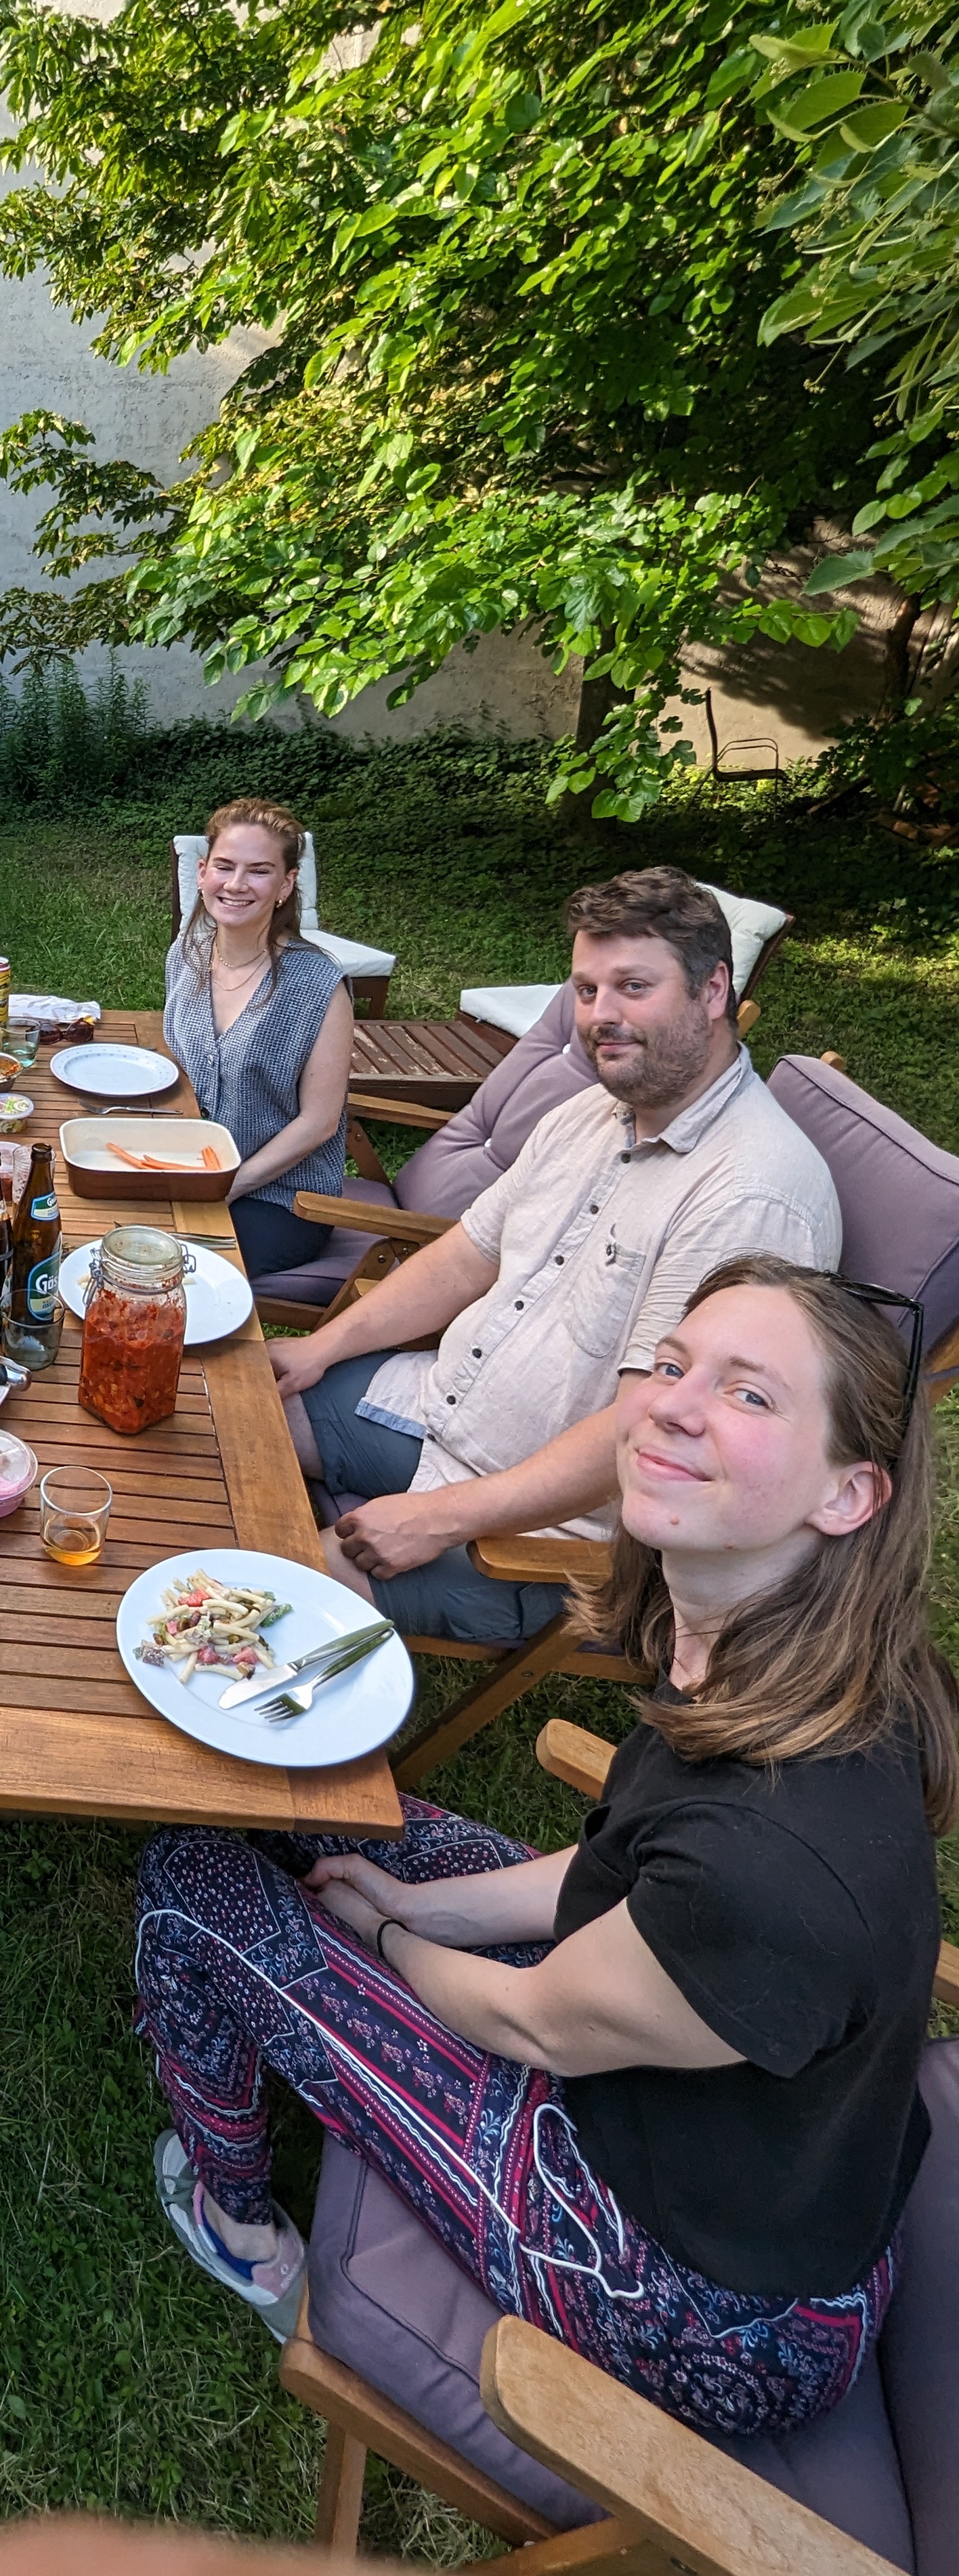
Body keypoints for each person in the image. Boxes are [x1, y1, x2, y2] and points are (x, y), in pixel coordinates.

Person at [137, 1258, 951, 2441]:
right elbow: (618, 1881)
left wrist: (384, 1924)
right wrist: (445, 1905)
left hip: (692, 2297)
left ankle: (239, 2225)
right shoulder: (768, 1654)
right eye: (672, 1366)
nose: (669, 1403)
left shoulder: (776, 1863)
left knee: (189, 1880)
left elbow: (528, 2021)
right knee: (296, 1793)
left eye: (751, 1396)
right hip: (713, 2117)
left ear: (847, 1495)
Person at [269, 866, 840, 1644]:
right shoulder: (596, 1111)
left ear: (713, 992)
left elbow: (658, 1430)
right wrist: (319, 1349)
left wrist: (436, 1518)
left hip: (556, 1535)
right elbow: (468, 1252)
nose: (601, 1016)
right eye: (586, 989)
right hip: (439, 1410)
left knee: (274, 1587)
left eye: (634, 987)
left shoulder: (747, 1198)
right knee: (231, 1409)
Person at [163, 800, 355, 1281]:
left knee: (163, 1272)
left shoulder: (318, 985)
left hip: (281, 1198)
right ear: (203, 873)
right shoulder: (186, 956)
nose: (235, 884)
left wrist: (227, 1185)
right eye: (224, 867)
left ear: (286, 885)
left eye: (259, 871)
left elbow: (320, 1123)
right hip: (191, 1168)